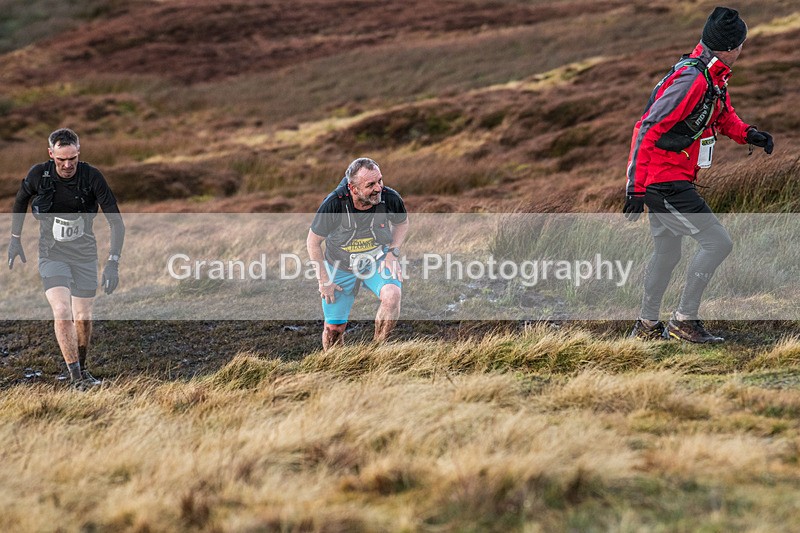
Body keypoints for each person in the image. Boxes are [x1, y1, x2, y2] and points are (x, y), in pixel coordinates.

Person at [624, 7, 774, 343]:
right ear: (732, 46)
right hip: (664, 182)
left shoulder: (712, 76)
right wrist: (635, 189)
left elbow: (721, 116)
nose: (742, 50)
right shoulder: (692, 80)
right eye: (741, 44)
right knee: (717, 242)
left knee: (667, 253)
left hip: (672, 178)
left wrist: (749, 134)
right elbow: (646, 127)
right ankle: (683, 321)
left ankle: (646, 327)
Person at [8, 128, 125, 389]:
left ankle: (82, 369)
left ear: (78, 153)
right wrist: (15, 239)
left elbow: (116, 223)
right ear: (51, 154)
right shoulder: (39, 174)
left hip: (84, 254)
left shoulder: (92, 177)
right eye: (61, 159)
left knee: (83, 315)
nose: (68, 164)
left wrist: (113, 263)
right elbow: (20, 202)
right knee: (62, 311)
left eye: (72, 158)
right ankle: (76, 379)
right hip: (52, 254)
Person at [307, 157, 409, 350]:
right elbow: (313, 243)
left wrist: (392, 253)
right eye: (370, 185)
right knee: (334, 329)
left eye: (380, 180)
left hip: (376, 261)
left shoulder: (389, 197)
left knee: (392, 295)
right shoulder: (333, 204)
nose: (378, 188)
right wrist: (324, 281)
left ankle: (378, 352)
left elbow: (401, 223)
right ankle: (335, 368)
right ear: (353, 189)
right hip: (340, 267)